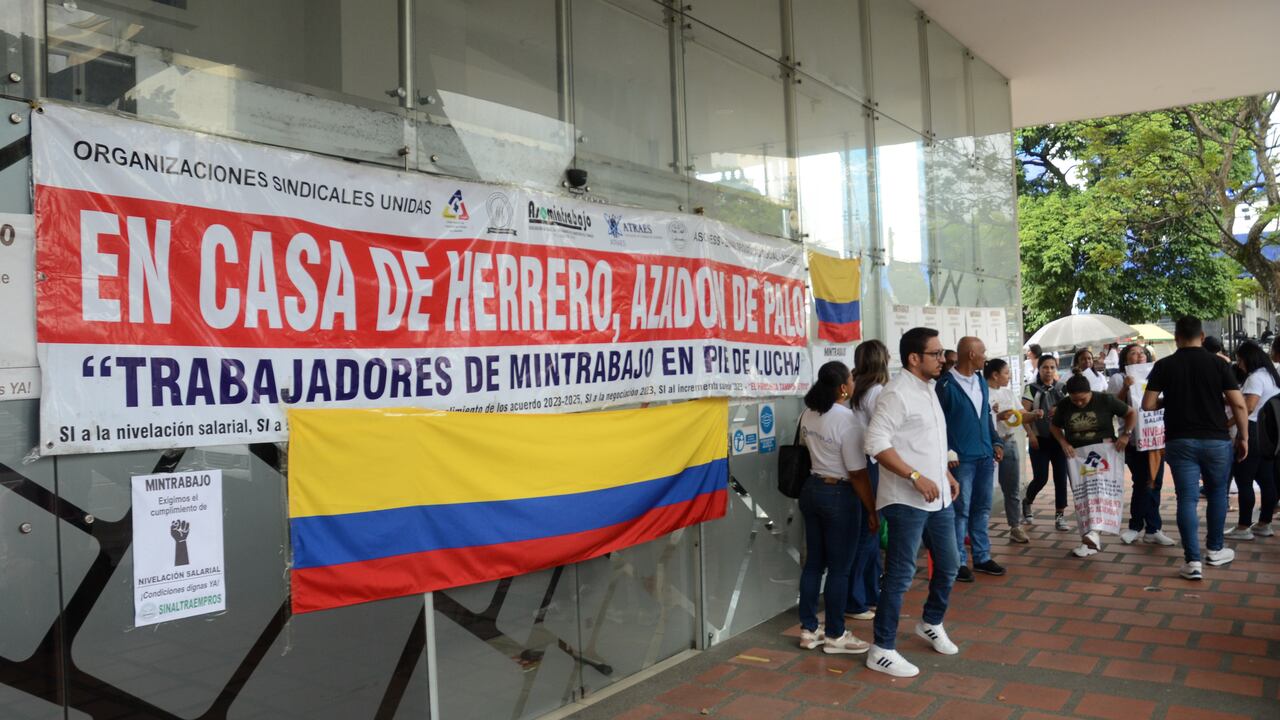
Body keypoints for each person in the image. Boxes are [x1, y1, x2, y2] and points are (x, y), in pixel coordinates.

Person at [864, 327, 961, 678]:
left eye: (942, 352)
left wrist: (943, 473)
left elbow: (925, 442)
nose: (943, 358)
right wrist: (915, 477)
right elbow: (875, 442)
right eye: (936, 353)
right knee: (902, 575)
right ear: (914, 358)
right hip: (905, 500)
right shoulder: (897, 393)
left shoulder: (929, 388)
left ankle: (931, 621)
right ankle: (882, 648)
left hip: (937, 500)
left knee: (949, 564)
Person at [1142, 317, 1249, 581]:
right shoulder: (1218, 364)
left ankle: (1193, 562)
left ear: (1176, 337)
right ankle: (1215, 549)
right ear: (1202, 336)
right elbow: (1239, 405)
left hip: (1179, 441)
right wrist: (1244, 437)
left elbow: (1148, 404)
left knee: (1187, 499)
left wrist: (1172, 400)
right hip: (1216, 440)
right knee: (1217, 495)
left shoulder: (1164, 365)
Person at [796, 361, 878, 654]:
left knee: (815, 564)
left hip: (812, 488)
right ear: (843, 387)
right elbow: (857, 473)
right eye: (851, 379)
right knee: (840, 569)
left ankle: (808, 629)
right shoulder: (847, 420)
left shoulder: (809, 413)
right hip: (839, 494)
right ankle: (835, 634)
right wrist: (871, 509)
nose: (854, 383)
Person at [937, 337, 1005, 580]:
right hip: (961, 459)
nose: (986, 356)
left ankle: (982, 557)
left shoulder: (980, 381)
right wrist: (945, 453)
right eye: (983, 352)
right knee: (960, 510)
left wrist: (996, 441)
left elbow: (985, 415)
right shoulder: (945, 385)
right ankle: (958, 563)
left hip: (985, 456)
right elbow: (937, 423)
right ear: (971, 355)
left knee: (982, 508)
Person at [1050, 374, 1137, 556]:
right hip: (1077, 456)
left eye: (1082, 400)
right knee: (1082, 496)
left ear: (1090, 392)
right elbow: (1054, 426)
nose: (1079, 404)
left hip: (1105, 452)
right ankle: (1088, 537)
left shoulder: (1105, 399)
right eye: (1075, 401)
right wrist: (1063, 443)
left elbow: (1131, 413)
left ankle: (1093, 533)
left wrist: (1126, 434)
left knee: (1099, 493)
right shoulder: (1065, 405)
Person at [1110, 343, 1174, 546]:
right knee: (1142, 482)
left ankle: (1152, 529)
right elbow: (1114, 405)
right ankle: (1137, 526)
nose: (1139, 356)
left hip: (1156, 437)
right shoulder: (1118, 378)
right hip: (1132, 439)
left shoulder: (1156, 375)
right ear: (1125, 359)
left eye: (1142, 353)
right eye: (1133, 353)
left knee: (1155, 482)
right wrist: (1125, 387)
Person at [845, 339, 890, 621]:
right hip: (869, 467)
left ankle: (870, 591)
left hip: (857, 467)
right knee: (868, 532)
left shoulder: (854, 389)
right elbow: (884, 432)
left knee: (869, 532)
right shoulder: (877, 392)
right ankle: (855, 598)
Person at [1225, 341, 1280, 541]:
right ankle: (1264, 524)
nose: (1239, 365)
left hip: (1252, 432)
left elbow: (1247, 408)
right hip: (1269, 435)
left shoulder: (1255, 378)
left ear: (1249, 359)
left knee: (1244, 480)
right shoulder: (1271, 375)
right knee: (1267, 480)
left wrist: (1227, 424)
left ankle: (1243, 526)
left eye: (1240, 360)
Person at [1023, 355, 1070, 530]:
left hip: (1059, 440)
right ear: (1039, 369)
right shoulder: (1031, 389)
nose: (1048, 371)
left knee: (1060, 477)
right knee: (1041, 478)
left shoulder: (1062, 388)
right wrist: (1031, 435)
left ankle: (1060, 516)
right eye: (1045, 367)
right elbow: (1023, 415)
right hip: (1039, 441)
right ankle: (1027, 501)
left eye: (1052, 367)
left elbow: (1069, 412)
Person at [986, 358, 1030, 543]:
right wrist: (997, 416)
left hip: (1009, 443)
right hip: (987, 446)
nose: (1009, 376)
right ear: (995, 375)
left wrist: (1034, 415)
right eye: (1006, 373)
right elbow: (980, 421)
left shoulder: (1008, 393)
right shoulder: (982, 393)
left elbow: (1021, 415)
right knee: (983, 491)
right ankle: (976, 531)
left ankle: (1015, 526)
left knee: (1012, 488)